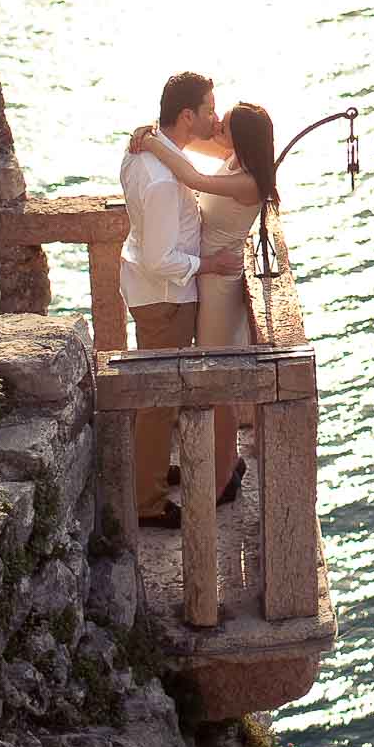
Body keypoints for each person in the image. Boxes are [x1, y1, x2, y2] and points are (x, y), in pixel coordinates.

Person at [132, 100, 280, 503]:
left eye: (225, 125)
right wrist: (158, 131)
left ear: (241, 139)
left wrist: (151, 142)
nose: (217, 127)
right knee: (216, 381)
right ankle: (229, 465)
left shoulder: (248, 182)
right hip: (208, 276)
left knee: (217, 388)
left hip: (219, 288)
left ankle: (221, 481)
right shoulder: (235, 158)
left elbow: (191, 176)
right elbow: (198, 148)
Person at [119, 71, 246, 528]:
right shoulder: (163, 180)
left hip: (152, 293)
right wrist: (207, 267)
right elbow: (160, 259)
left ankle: (150, 472)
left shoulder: (151, 152)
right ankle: (148, 501)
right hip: (165, 297)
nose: (215, 116)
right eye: (210, 109)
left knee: (159, 396)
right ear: (187, 114)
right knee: (158, 401)